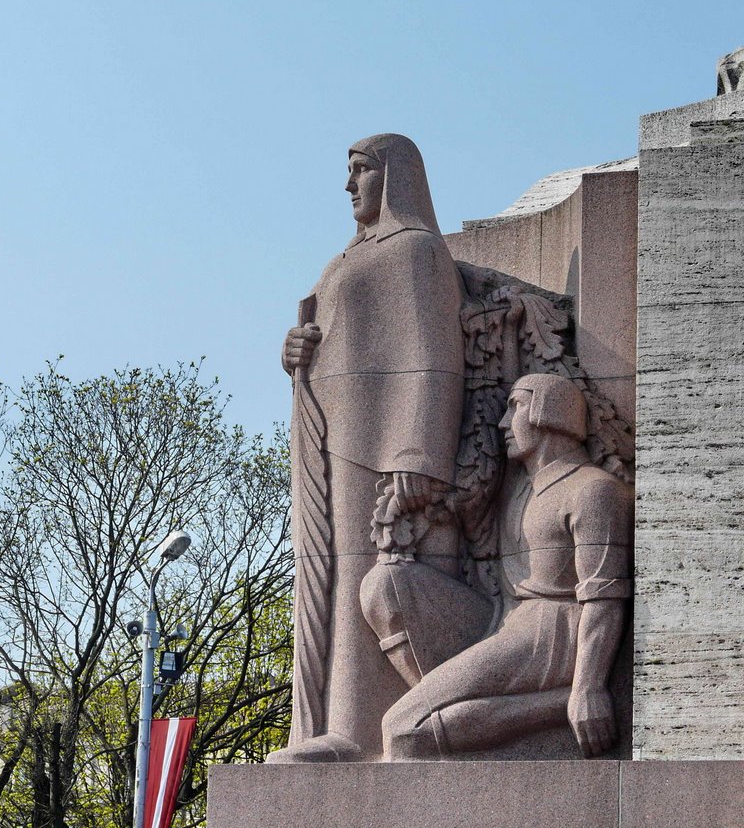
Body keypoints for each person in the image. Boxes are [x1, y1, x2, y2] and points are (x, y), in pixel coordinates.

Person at [270, 135, 466, 762]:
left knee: (358, 579)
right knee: (320, 581)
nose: (349, 185)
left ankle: (353, 733)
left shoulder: (416, 251)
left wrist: (419, 453)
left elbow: (437, 355)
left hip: (380, 444)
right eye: (348, 172)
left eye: (360, 171)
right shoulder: (349, 258)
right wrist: (294, 351)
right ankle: (317, 726)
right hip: (329, 436)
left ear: (394, 176)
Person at [380, 372, 632, 760]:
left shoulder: (593, 490)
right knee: (383, 585)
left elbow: (603, 598)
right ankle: (543, 707)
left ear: (551, 413)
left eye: (516, 406)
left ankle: (562, 706)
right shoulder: (519, 490)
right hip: (507, 622)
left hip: (553, 637)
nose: (502, 423)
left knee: (404, 730)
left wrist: (589, 687)